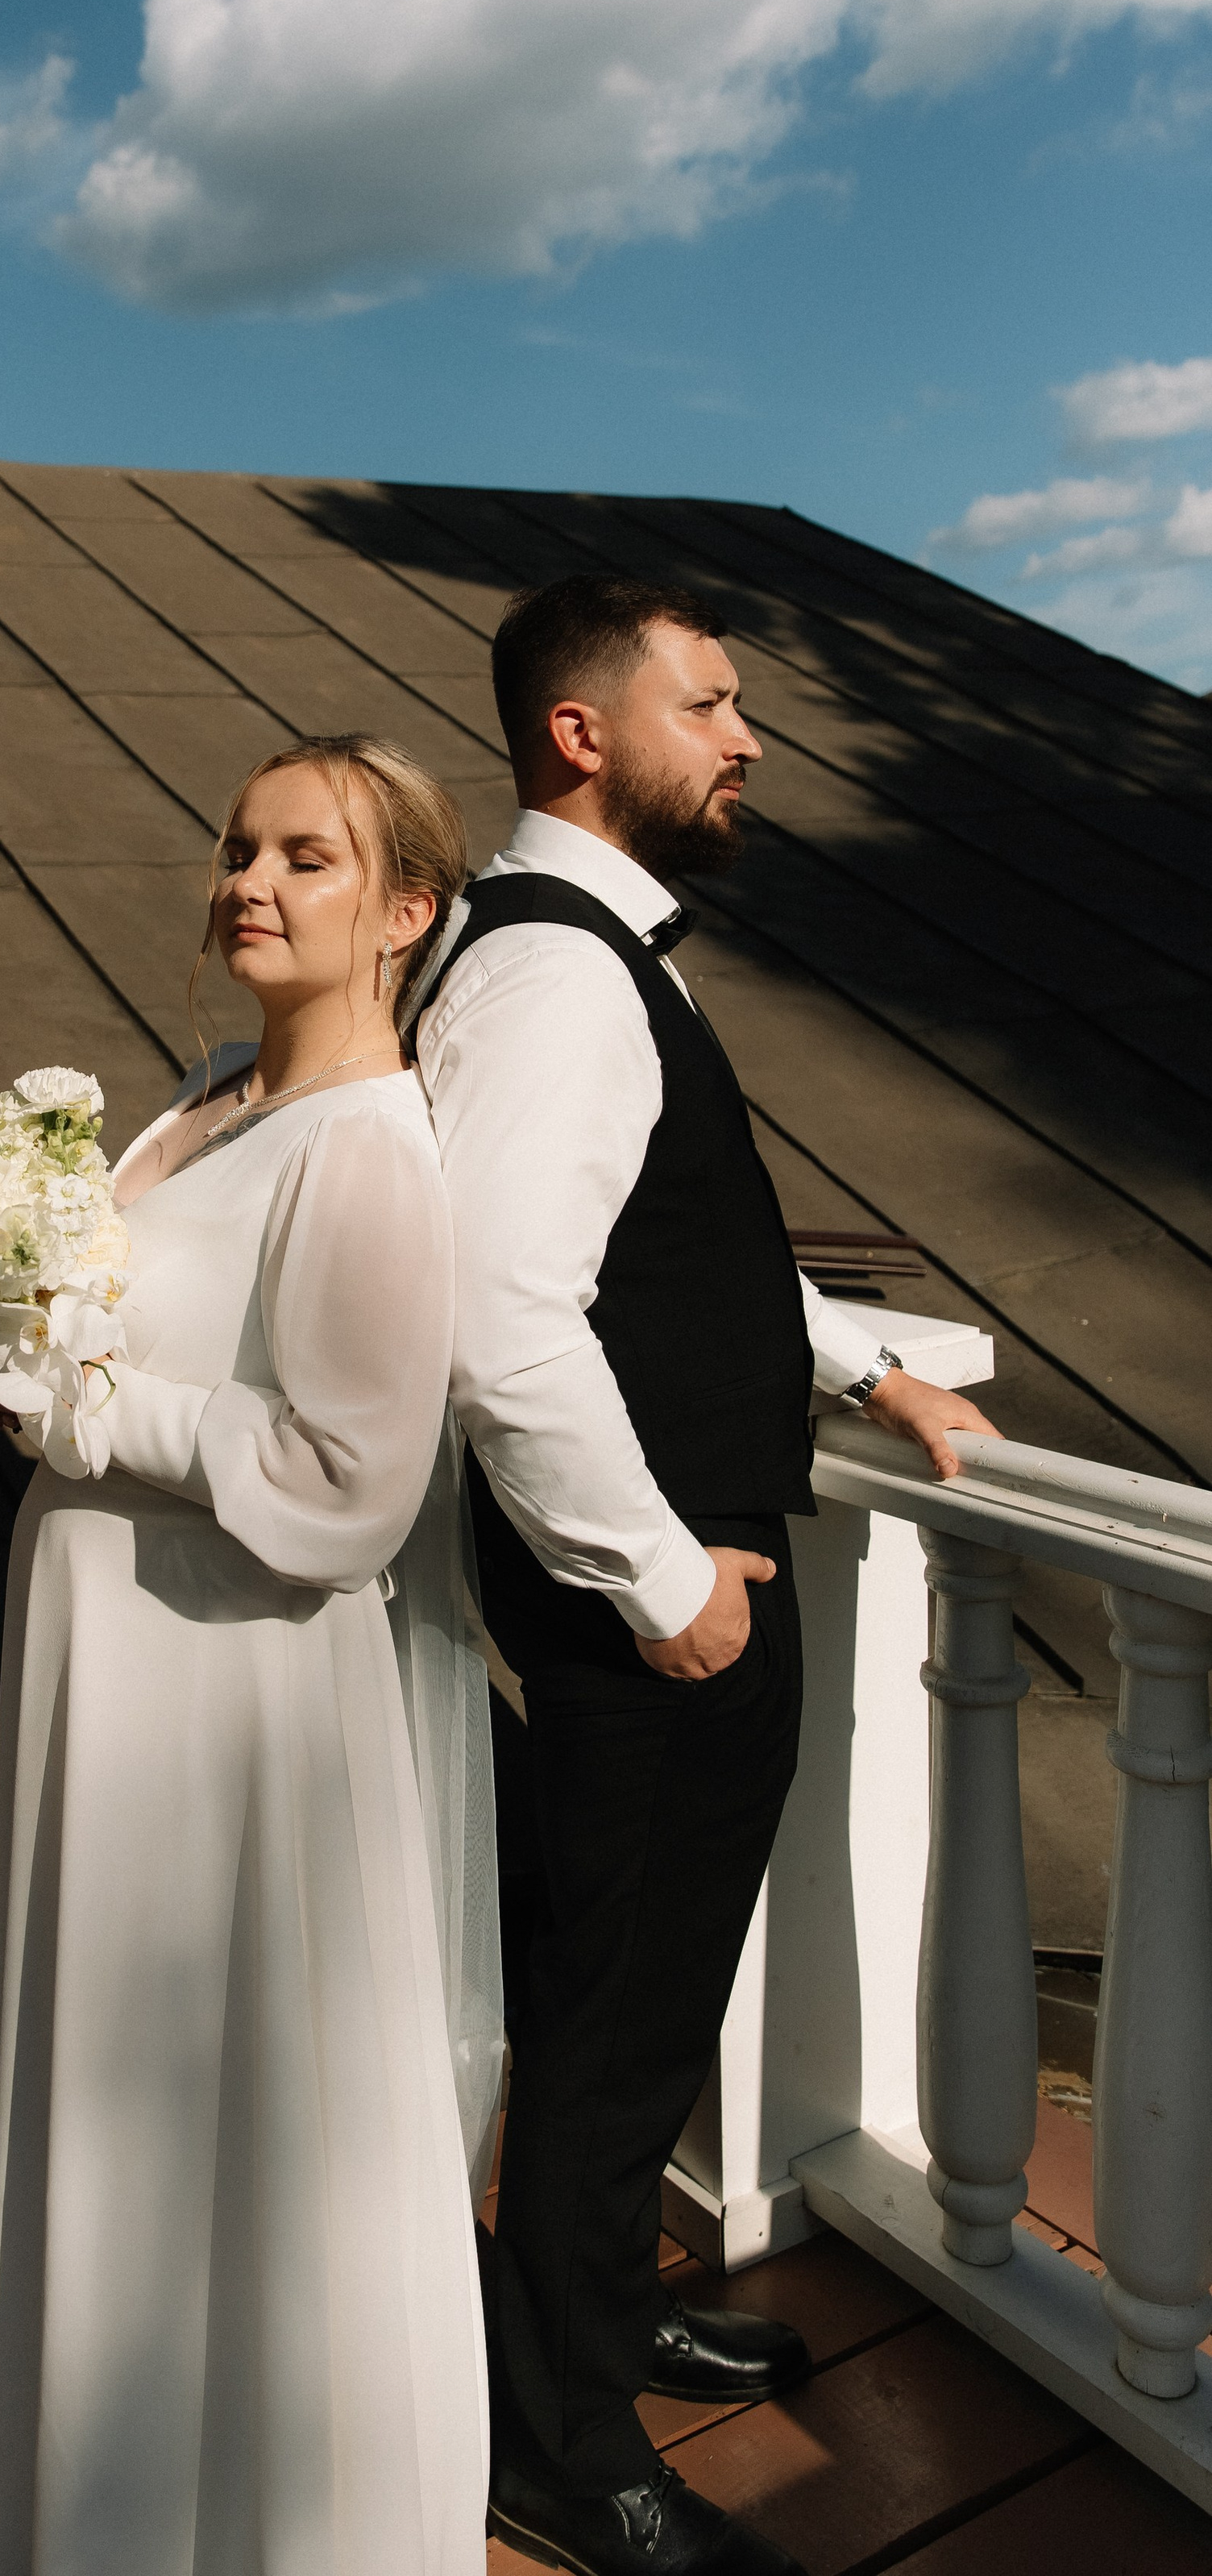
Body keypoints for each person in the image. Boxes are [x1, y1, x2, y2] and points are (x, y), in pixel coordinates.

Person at [413, 576, 1001, 2576]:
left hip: (666, 1585)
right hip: (650, 1609)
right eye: (710, 704)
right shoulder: (555, 977)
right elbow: (498, 1318)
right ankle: (560, 2447)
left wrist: (870, 1364)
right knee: (606, 2020)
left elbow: (684, 1258)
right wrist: (666, 1585)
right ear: (581, 733)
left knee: (633, 2003)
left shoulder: (578, 958)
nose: (746, 738)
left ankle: (591, 2320)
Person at [0, 733, 502, 2576]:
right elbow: (90, 1340)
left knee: (234, 2108)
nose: (249, 883)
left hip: (233, 1694)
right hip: (97, 1666)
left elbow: (348, 1488)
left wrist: (101, 1417)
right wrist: (10, 1347)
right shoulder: (192, 1097)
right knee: (108, 2098)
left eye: (308, 859)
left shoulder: (369, 1152)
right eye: (239, 846)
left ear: (405, 912)